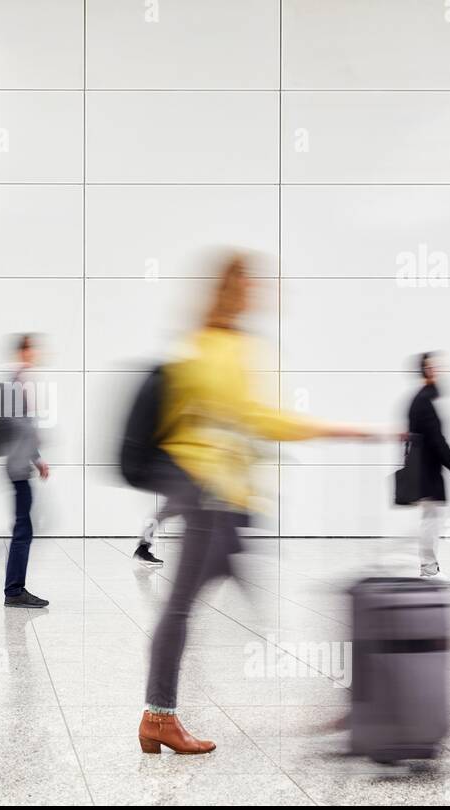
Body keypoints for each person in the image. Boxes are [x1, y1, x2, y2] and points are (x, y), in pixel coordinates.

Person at [138, 255, 374, 754]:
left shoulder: (212, 344)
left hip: (225, 502)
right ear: (234, 289)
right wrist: (336, 430)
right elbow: (254, 418)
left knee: (214, 608)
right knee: (186, 610)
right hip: (212, 500)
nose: (260, 292)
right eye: (251, 284)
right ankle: (159, 716)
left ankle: (339, 702)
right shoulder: (219, 348)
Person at [406, 352, 450, 583]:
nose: (439, 371)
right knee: (430, 522)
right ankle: (429, 570)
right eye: (434, 367)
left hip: (424, 470)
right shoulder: (424, 402)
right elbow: (437, 440)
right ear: (426, 371)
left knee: (430, 520)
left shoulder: (422, 399)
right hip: (427, 472)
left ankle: (429, 568)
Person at [1, 334, 50, 609]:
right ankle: (14, 590)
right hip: (17, 466)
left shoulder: (19, 381)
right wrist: (34, 440)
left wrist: (38, 458)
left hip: (21, 464)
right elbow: (16, 423)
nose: (38, 354)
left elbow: (21, 423)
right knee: (23, 528)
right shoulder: (14, 382)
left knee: (24, 526)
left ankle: (15, 588)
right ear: (24, 351)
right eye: (34, 349)